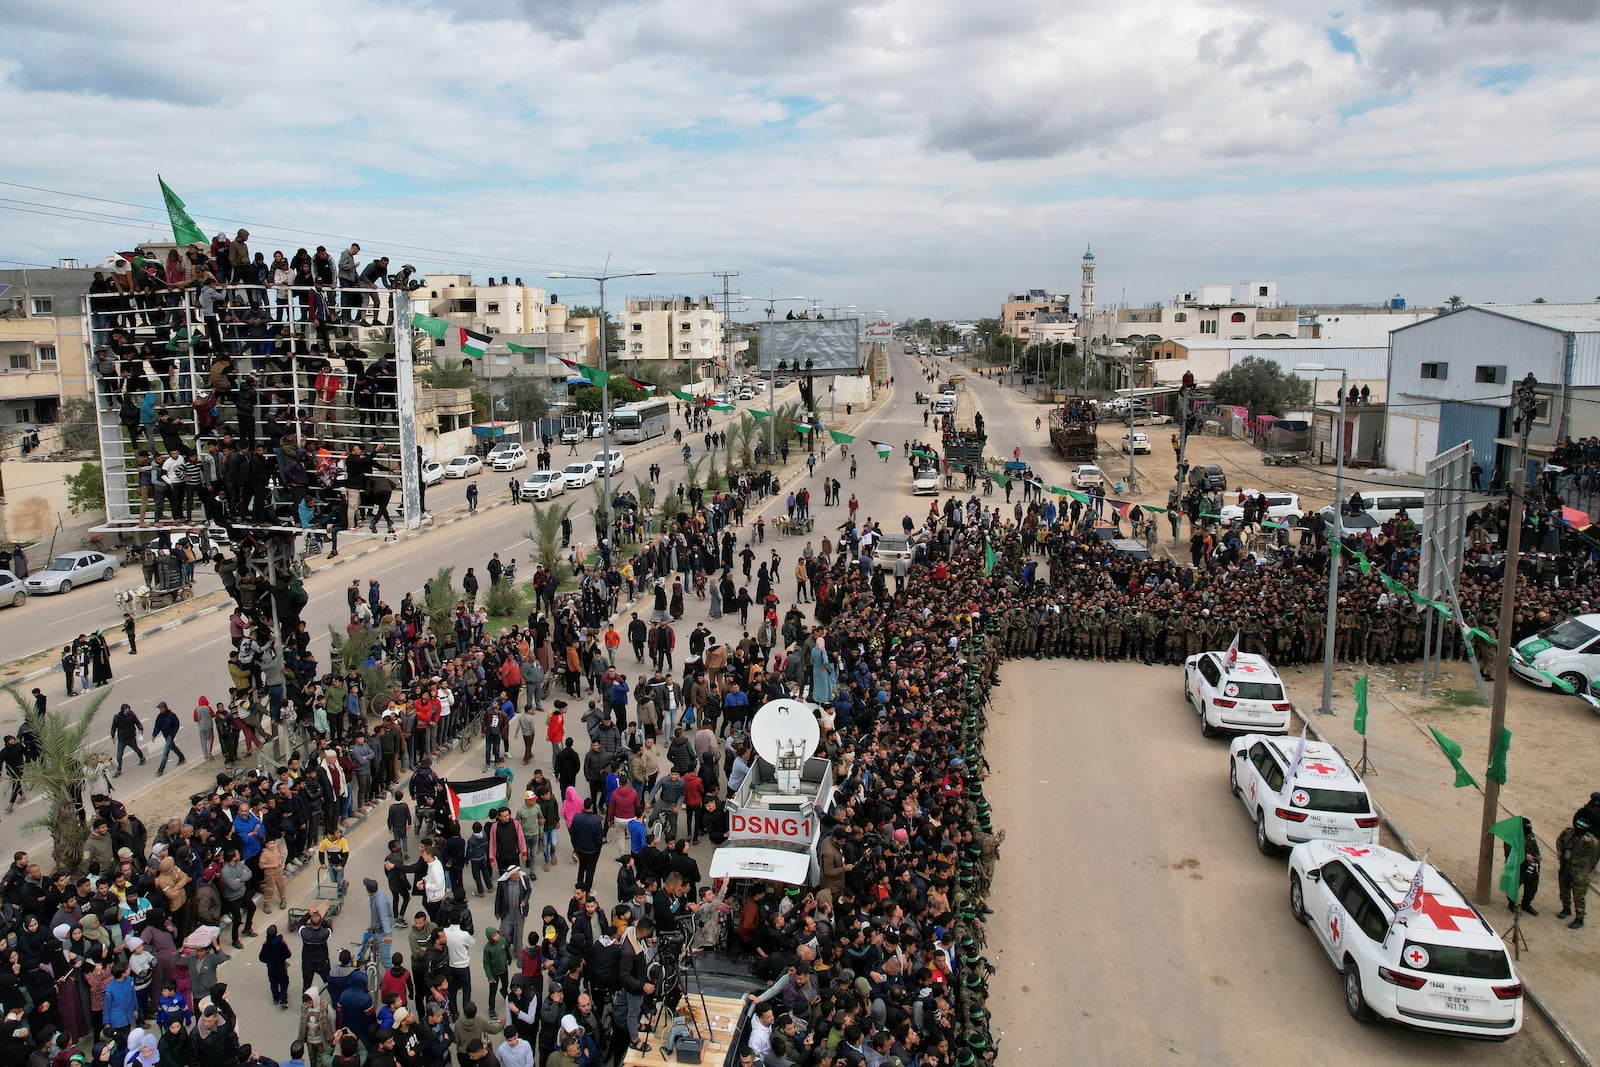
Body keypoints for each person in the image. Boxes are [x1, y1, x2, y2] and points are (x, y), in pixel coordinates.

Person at [1556, 812, 1600, 929]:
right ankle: (1566, 908)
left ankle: (1579, 918)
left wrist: (1588, 842)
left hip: (1579, 872)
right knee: (1564, 889)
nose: (1579, 828)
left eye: (1582, 827)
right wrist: (1559, 851)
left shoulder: (1589, 839)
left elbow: (1594, 845)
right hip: (1565, 867)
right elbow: (1559, 840)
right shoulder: (1568, 832)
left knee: (1579, 896)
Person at [258, 925, 293, 1008]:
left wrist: (268, 961)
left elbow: (261, 958)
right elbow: (288, 954)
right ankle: (283, 999)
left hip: (271, 967)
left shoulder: (265, 945)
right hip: (281, 966)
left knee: (273, 981)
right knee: (284, 982)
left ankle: (276, 997)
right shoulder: (281, 943)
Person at [151, 701, 187, 776]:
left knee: (165, 752)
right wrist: (154, 734)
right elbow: (157, 726)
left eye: (161, 708)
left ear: (165, 707)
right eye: (159, 708)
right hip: (165, 735)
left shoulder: (171, 715)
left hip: (170, 735)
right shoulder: (160, 717)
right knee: (172, 747)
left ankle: (161, 769)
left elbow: (176, 725)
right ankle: (181, 757)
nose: (160, 709)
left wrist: (172, 733)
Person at [110, 703, 146, 777]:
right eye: (126, 709)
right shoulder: (117, 718)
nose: (127, 710)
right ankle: (119, 770)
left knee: (136, 749)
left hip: (130, 738)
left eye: (128, 709)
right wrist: (112, 735)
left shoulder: (131, 715)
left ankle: (142, 758)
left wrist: (141, 728)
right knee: (119, 755)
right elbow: (113, 727)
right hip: (122, 739)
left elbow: (137, 722)